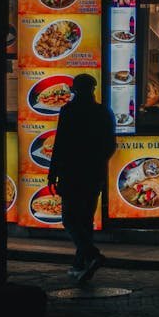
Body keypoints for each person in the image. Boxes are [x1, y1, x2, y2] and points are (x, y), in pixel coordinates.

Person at [48, 73, 117, 284]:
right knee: (85, 218)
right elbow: (110, 145)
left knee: (69, 218)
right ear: (93, 89)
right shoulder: (104, 112)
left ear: (75, 89)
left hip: (71, 172)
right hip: (94, 173)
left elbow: (60, 144)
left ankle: (91, 254)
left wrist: (53, 173)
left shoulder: (69, 111)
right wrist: (98, 162)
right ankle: (80, 263)